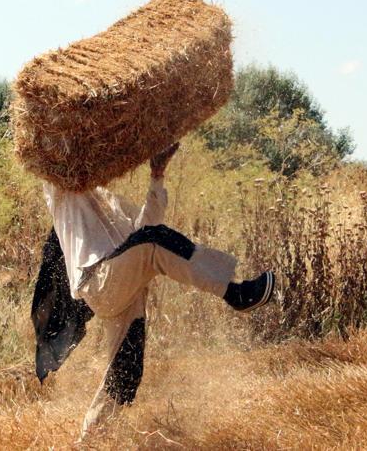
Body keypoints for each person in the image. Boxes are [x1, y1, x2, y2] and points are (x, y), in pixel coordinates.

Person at [30, 142, 276, 439]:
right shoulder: (65, 197)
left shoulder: (111, 202)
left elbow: (149, 225)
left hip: (125, 286)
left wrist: (157, 175)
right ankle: (235, 293)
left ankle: (90, 441)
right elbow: (57, 159)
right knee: (152, 242)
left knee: (125, 371)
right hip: (99, 281)